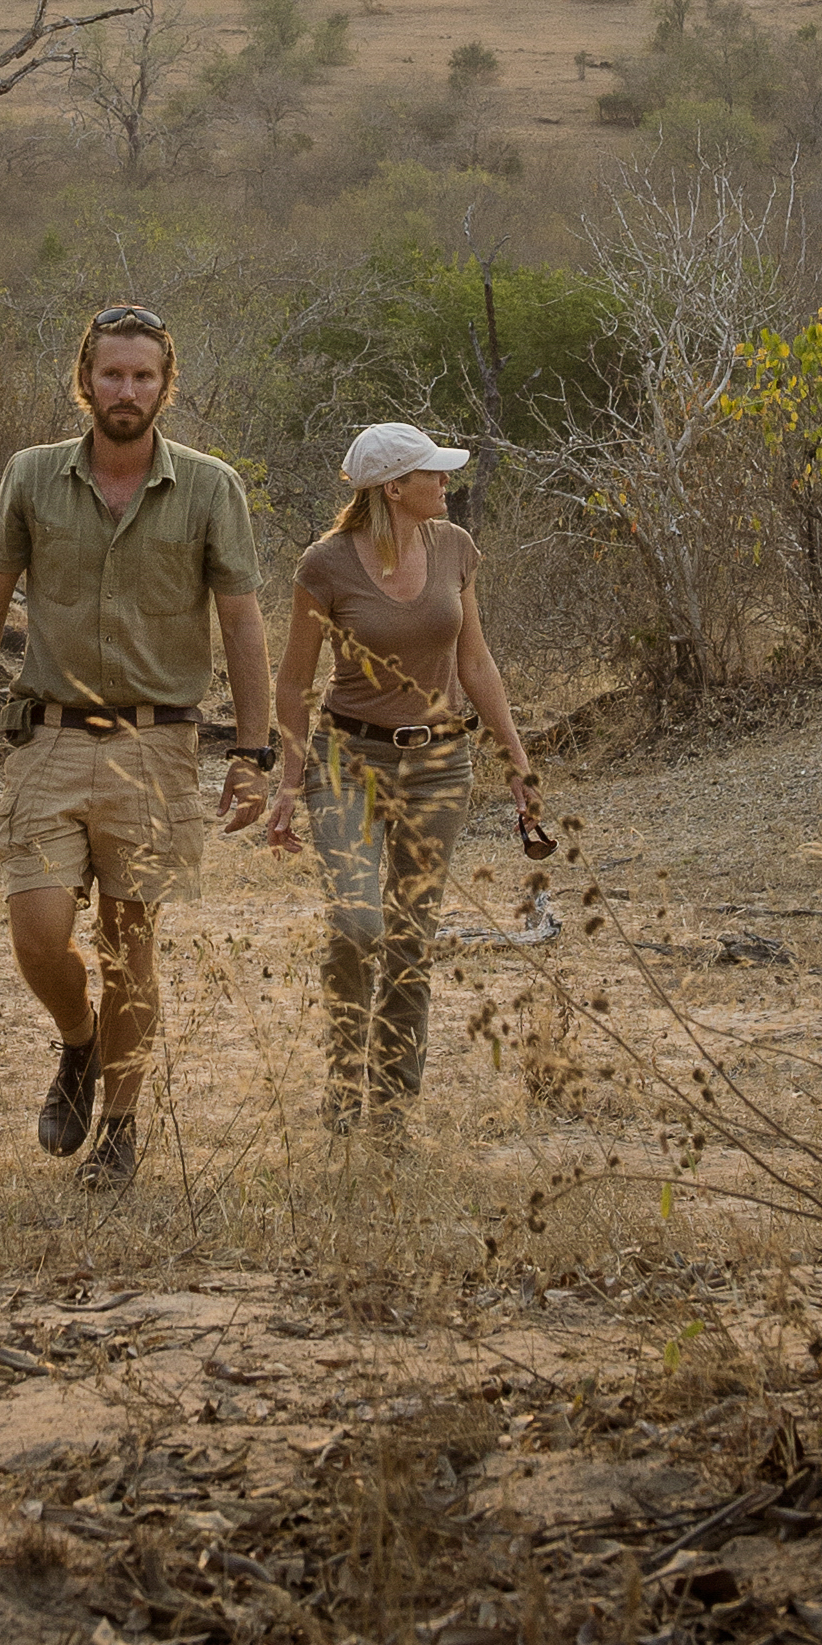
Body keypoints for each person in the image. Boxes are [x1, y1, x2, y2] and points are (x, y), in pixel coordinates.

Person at [0, 305, 271, 1195]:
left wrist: (254, 751)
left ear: (168, 386)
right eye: (111, 374)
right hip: (49, 737)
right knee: (39, 929)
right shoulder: (32, 477)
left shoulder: (211, 488)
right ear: (83, 380)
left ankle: (120, 1134)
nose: (126, 391)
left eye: (144, 376)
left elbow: (242, 619)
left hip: (156, 745)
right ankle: (79, 1042)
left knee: (133, 946)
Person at [256, 424, 542, 1139]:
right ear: (392, 487)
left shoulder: (453, 549)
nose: (445, 484)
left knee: (411, 934)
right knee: (358, 925)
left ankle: (391, 1103)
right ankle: (344, 1077)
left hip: (440, 763)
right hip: (347, 759)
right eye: (431, 474)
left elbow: (476, 664)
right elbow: (291, 682)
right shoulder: (325, 566)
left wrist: (517, 761)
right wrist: (289, 782)